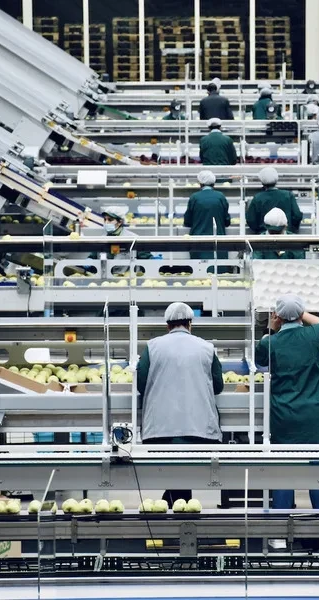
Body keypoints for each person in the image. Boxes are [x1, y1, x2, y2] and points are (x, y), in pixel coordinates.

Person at [255, 295, 319, 549]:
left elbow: (261, 361)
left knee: (284, 473)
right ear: (301, 314)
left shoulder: (270, 342)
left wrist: (272, 328)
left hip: (285, 416)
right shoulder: (315, 336)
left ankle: (280, 536)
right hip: (317, 416)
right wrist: (302, 314)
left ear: (277, 316)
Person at [138, 303, 224, 506]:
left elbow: (141, 384)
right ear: (190, 324)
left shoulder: (152, 347)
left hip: (160, 432)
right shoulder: (207, 348)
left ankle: (173, 517)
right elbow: (218, 386)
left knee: (176, 476)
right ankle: (178, 518)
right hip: (199, 430)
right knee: (182, 476)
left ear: (167, 326)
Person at [184, 170, 231, 260]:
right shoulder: (220, 197)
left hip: (198, 242)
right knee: (220, 271)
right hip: (218, 241)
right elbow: (227, 221)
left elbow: (187, 221)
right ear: (214, 183)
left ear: (200, 184)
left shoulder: (194, 197)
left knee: (200, 270)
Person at [246, 167, 303, 235]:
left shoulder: (258, 198)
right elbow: (297, 216)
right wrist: (291, 229)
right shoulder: (288, 195)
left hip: (264, 238)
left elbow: (251, 220)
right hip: (286, 236)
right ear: (276, 180)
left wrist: (260, 231)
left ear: (262, 182)